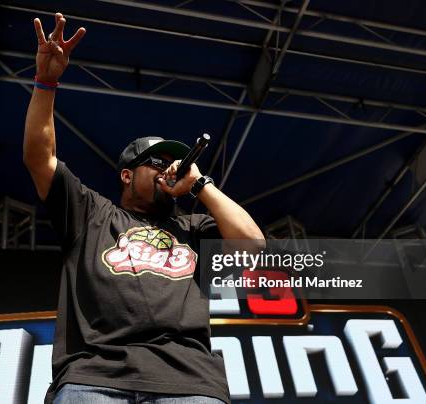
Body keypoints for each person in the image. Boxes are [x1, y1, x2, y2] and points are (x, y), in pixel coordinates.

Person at [23, 13, 265, 404]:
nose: (164, 168)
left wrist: (200, 185)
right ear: (126, 176)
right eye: (153, 163)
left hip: (189, 384)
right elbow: (40, 158)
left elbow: (254, 245)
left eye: (171, 162)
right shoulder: (91, 213)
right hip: (93, 378)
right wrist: (46, 82)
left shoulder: (195, 225)